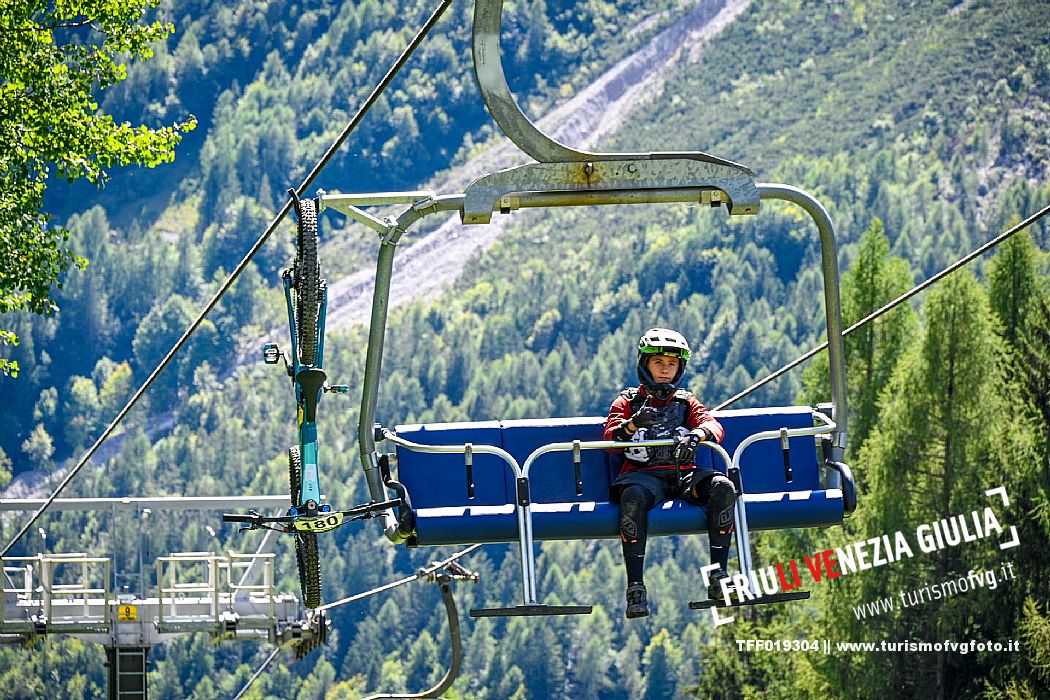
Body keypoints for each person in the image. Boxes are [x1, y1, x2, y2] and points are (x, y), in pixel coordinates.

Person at [604, 328, 737, 618]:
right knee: (633, 497)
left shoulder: (686, 402)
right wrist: (633, 424)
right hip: (643, 477)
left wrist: (698, 434)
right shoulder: (627, 402)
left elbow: (714, 425)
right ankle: (636, 587)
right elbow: (611, 442)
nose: (665, 370)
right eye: (659, 363)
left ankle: (719, 576)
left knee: (723, 488)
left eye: (671, 365)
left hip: (683, 475)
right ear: (645, 365)